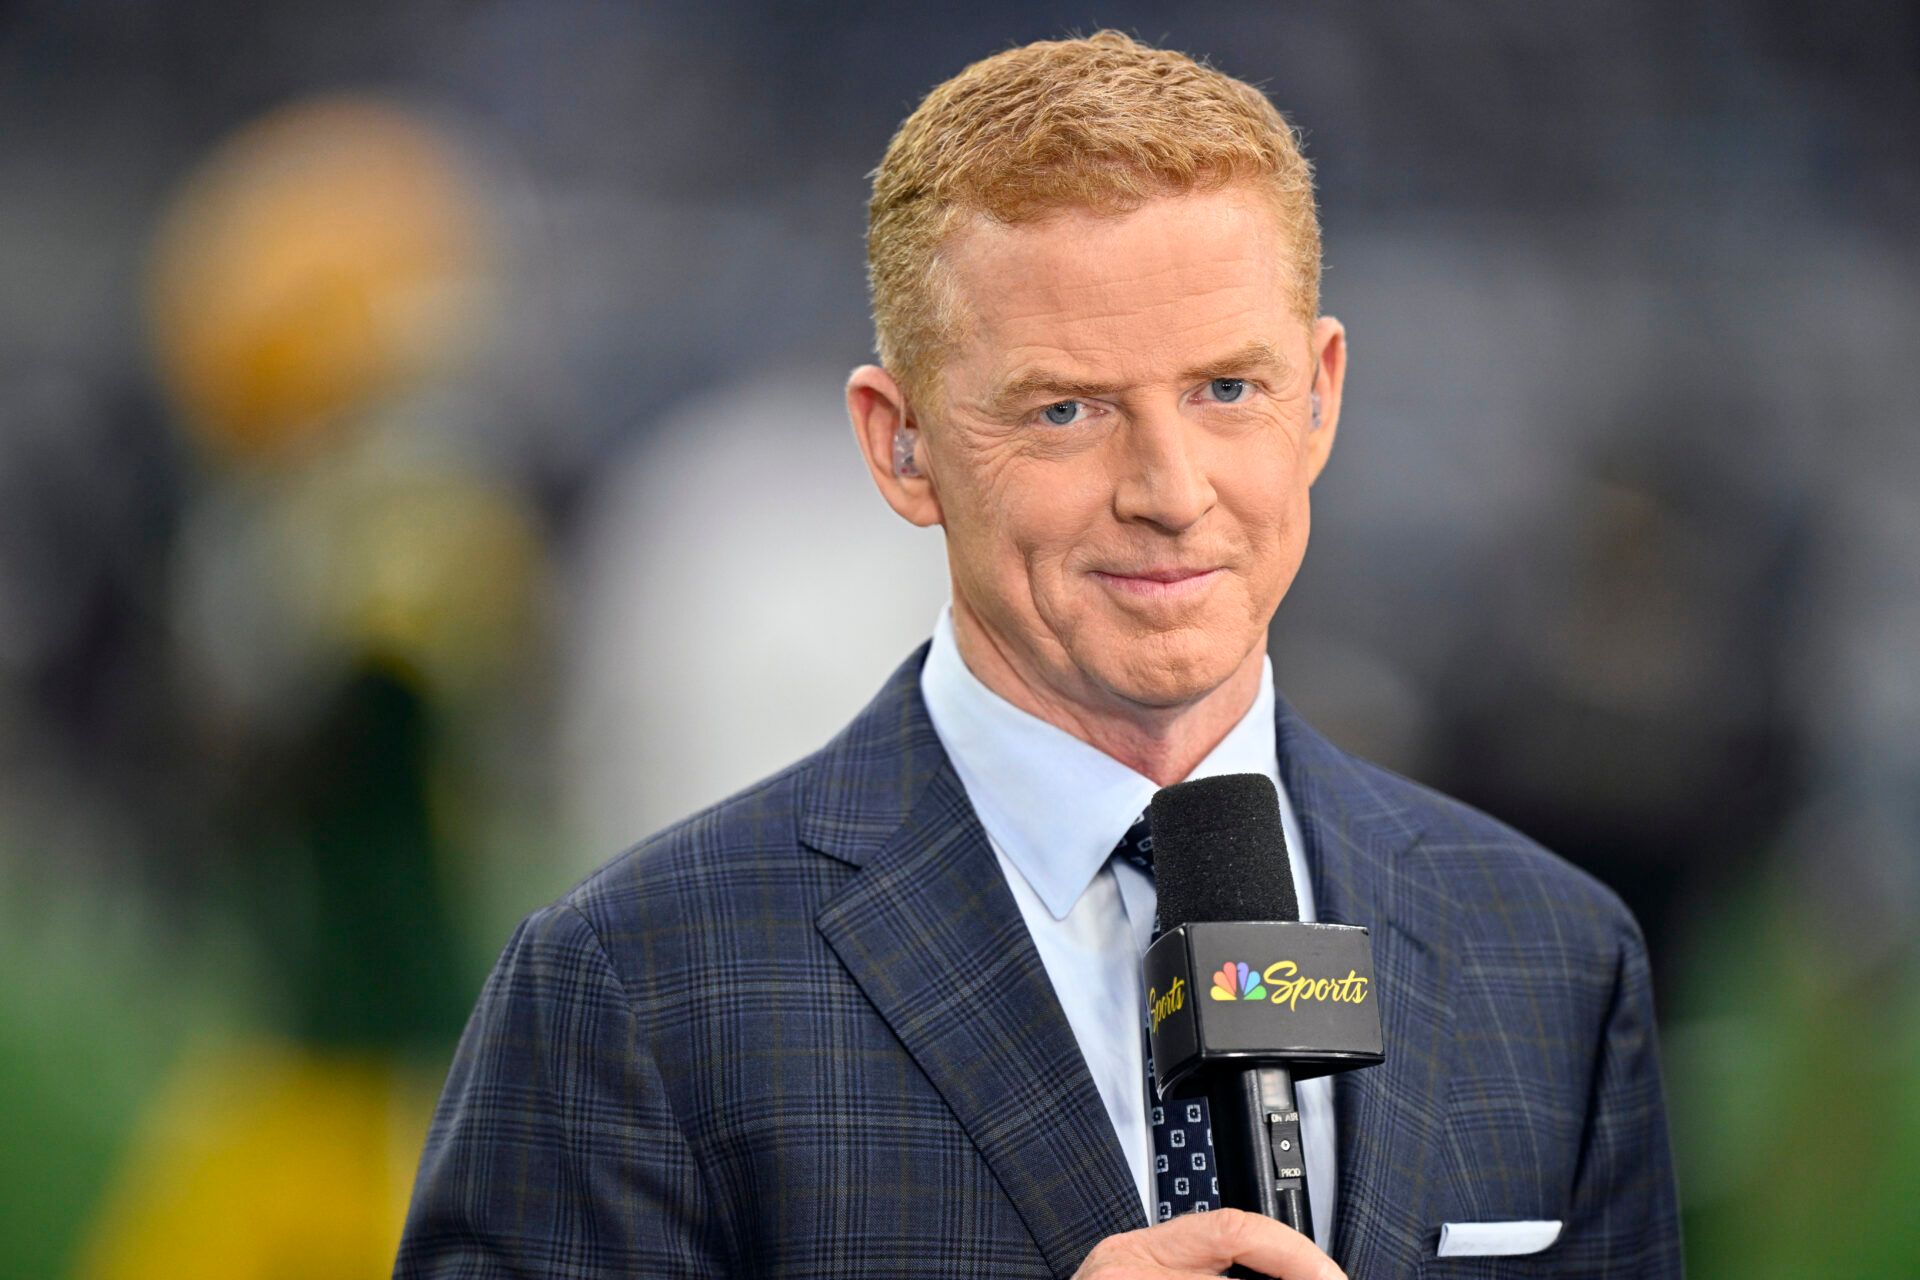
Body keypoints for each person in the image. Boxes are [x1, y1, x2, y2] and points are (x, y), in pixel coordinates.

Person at [394, 31, 1682, 1279]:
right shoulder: (635, 987)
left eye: (1227, 391)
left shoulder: (1554, 954)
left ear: (1322, 395)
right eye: (1067, 410)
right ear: (900, 446)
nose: (1171, 492)